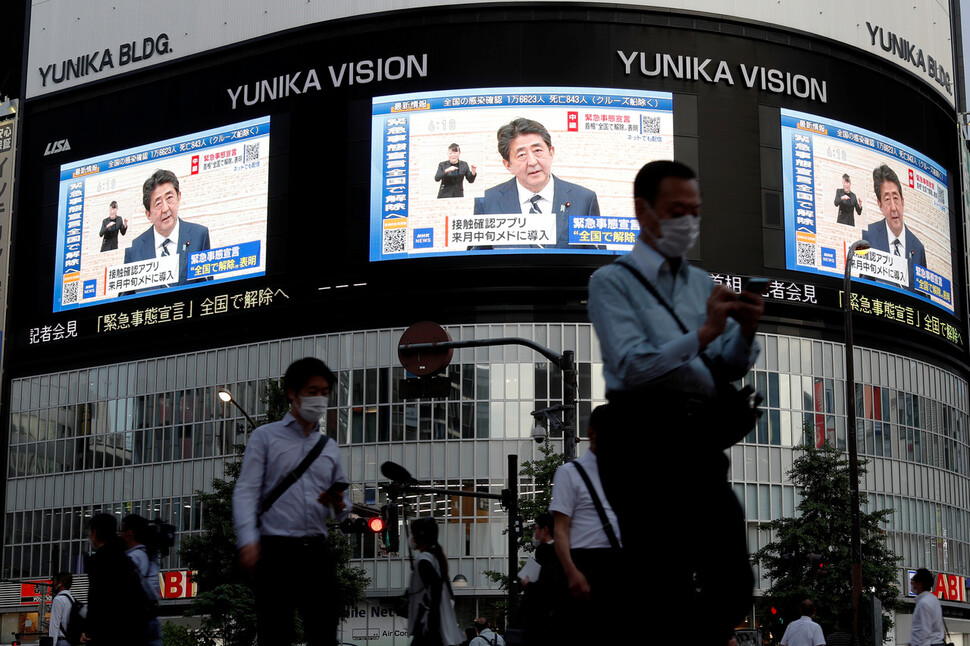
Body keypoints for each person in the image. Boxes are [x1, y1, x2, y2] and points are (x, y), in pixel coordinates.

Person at [586, 160, 763, 643]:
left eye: (695, 210)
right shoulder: (610, 282)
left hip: (698, 438)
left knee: (733, 580)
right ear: (644, 212)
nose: (688, 221)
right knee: (660, 577)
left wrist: (744, 331)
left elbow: (727, 364)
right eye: (676, 210)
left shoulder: (701, 284)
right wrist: (703, 331)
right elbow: (631, 366)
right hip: (641, 437)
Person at [232, 357, 349, 646]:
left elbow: (342, 505)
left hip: (318, 551)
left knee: (324, 634)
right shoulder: (265, 437)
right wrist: (248, 540)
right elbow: (246, 491)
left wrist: (339, 504)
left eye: (324, 392)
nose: (320, 399)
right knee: (275, 633)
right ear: (292, 393)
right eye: (312, 391)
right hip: (275, 551)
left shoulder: (329, 447)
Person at [548, 405, 622, 645]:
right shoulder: (569, 473)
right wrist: (572, 572)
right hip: (584, 565)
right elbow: (560, 530)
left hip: (618, 563)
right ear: (592, 433)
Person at [473, 118, 599, 248]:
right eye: (522, 155)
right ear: (508, 165)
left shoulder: (584, 200)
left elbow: (598, 262)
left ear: (551, 152)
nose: (532, 162)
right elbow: (475, 262)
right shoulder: (486, 203)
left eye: (538, 151)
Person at [124, 169, 211, 285]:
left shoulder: (199, 235)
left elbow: (207, 287)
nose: (165, 209)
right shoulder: (133, 249)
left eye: (169, 198)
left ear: (178, 197)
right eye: (158, 204)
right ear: (148, 215)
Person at [82, 513, 148, 646]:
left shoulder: (98, 560)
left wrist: (88, 630)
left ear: (94, 532)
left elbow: (95, 598)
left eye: (90, 532)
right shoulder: (127, 557)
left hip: (107, 632)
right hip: (130, 630)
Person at [861, 164, 926, 291]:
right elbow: (864, 287)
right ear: (880, 205)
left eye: (895, 198)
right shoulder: (869, 236)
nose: (893, 207)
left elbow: (924, 298)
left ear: (902, 201)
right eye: (887, 200)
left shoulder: (918, 248)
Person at [406, 517, 462, 646]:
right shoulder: (435, 558)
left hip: (428, 627)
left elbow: (435, 590)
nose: (411, 538)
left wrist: (433, 626)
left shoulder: (424, 561)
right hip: (434, 626)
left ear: (420, 536)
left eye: (412, 534)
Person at [519, 512, 565, 646]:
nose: (535, 533)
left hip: (542, 617)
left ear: (545, 530)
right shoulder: (561, 549)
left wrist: (529, 585)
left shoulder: (545, 551)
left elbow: (548, 584)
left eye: (536, 529)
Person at [120, 514, 161, 646]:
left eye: (121, 531)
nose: (119, 535)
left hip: (138, 622)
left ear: (129, 533)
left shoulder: (135, 557)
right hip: (148, 620)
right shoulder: (149, 554)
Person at [909, 567, 945, 646]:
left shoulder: (923, 603)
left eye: (913, 580)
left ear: (920, 584)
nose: (911, 583)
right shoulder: (934, 599)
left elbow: (924, 632)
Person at [49, 571, 80, 646]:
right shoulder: (72, 600)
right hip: (72, 641)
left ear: (60, 583)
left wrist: (51, 643)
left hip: (61, 641)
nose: (53, 584)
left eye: (55, 582)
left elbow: (54, 625)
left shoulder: (58, 599)